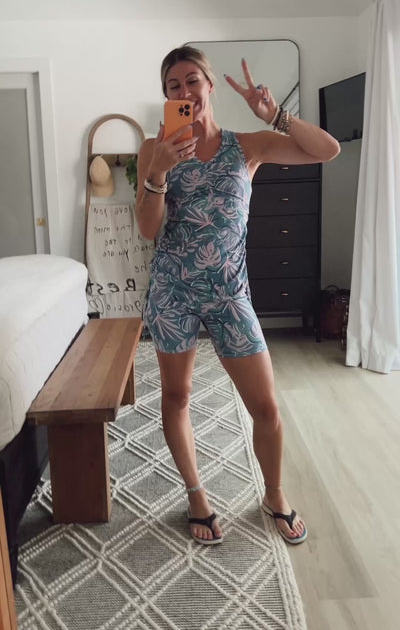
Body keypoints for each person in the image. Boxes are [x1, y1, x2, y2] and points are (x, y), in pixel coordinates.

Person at [135, 45, 340, 546]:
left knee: (266, 408)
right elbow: (148, 230)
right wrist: (158, 171)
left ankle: (274, 494)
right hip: (172, 292)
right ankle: (197, 497)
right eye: (173, 86)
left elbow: (327, 150)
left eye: (192, 81)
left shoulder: (248, 146)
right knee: (177, 396)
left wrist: (276, 116)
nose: (184, 91)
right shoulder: (153, 148)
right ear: (167, 96)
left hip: (229, 294)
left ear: (209, 86)